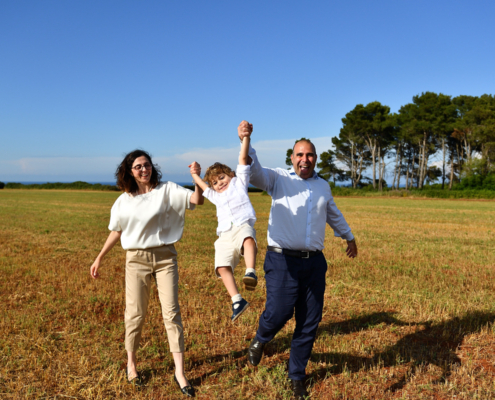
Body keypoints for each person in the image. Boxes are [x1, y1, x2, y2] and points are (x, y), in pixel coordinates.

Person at [238, 121, 358, 400]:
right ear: (291, 158)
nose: (305, 159)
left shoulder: (323, 187)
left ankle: (296, 376)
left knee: (309, 322)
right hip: (282, 261)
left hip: (314, 263)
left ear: (316, 158)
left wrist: (349, 236)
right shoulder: (277, 179)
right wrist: (246, 140)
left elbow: (333, 214)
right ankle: (262, 338)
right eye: (300, 155)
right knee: (279, 311)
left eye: (310, 155)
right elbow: (252, 170)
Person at [90, 149, 204, 397]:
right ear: (129, 171)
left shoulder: (167, 190)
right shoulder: (123, 200)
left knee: (171, 313)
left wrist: (197, 178)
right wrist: (100, 257)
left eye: (147, 165)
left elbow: (196, 201)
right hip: (136, 260)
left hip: (165, 257)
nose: (144, 169)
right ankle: (131, 365)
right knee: (135, 313)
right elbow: (117, 231)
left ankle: (180, 372)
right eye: (138, 166)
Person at [189, 134, 258, 322]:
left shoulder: (240, 183)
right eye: (215, 182)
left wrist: (245, 138)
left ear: (231, 175)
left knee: (248, 240)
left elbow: (243, 159)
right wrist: (194, 173)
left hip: (242, 225)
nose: (219, 183)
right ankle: (237, 300)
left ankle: (250, 271)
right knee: (221, 266)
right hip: (225, 235)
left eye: (222, 177)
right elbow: (202, 186)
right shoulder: (215, 196)